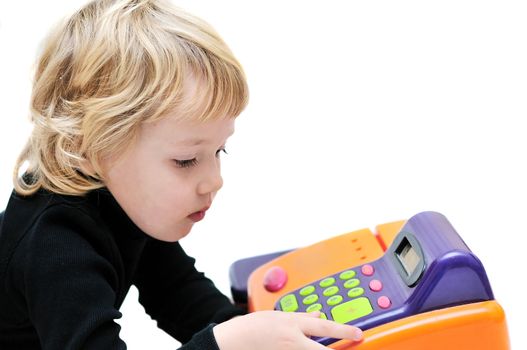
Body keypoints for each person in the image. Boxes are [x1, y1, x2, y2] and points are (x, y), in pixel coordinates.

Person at [0, 0, 364, 349]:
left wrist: (253, 333)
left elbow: (176, 291)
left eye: (219, 151)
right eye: (187, 160)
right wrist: (226, 344)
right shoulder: (56, 248)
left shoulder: (120, 195)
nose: (215, 180)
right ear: (88, 148)